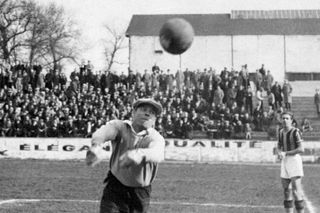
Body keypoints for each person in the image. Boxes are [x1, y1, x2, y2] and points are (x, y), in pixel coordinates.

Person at [86, 98, 165, 213]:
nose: (147, 113)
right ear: (133, 112)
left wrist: (137, 155)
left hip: (140, 193)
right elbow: (104, 132)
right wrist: (96, 146)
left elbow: (157, 153)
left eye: (152, 113)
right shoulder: (120, 126)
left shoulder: (156, 137)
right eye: (143, 109)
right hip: (115, 187)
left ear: (154, 120)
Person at [276, 111, 305, 213]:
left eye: (287, 118)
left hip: (294, 160)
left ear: (291, 120)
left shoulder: (295, 132)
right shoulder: (280, 132)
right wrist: (279, 152)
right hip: (285, 161)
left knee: (296, 191)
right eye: (283, 118)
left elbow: (301, 149)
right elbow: (279, 146)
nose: (284, 120)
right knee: (286, 191)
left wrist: (285, 153)